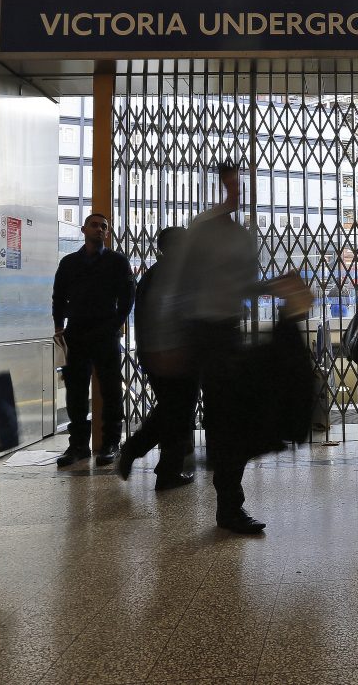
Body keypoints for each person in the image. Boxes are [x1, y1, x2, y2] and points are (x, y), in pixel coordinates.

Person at [169, 161, 308, 533]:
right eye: (230, 184)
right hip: (202, 332)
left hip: (229, 331)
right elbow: (181, 284)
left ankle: (229, 504)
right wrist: (178, 337)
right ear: (220, 187)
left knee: (231, 418)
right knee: (222, 418)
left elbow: (243, 287)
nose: (236, 191)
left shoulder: (243, 237)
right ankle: (222, 499)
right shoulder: (201, 230)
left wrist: (275, 286)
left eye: (239, 184)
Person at [118, 226, 198, 490]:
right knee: (177, 412)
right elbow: (169, 317)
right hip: (174, 354)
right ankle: (137, 450)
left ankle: (167, 470)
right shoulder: (173, 275)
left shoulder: (156, 273)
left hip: (158, 353)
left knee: (176, 412)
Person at [52, 213, 135, 468]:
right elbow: (58, 296)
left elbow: (128, 299)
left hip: (106, 334)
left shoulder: (118, 262)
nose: (99, 229)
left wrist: (113, 325)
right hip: (76, 333)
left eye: (104, 227)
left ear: (107, 233)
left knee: (111, 390)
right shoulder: (68, 263)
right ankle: (77, 444)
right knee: (75, 392)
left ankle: (111, 443)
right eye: (95, 225)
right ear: (83, 229)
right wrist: (59, 327)